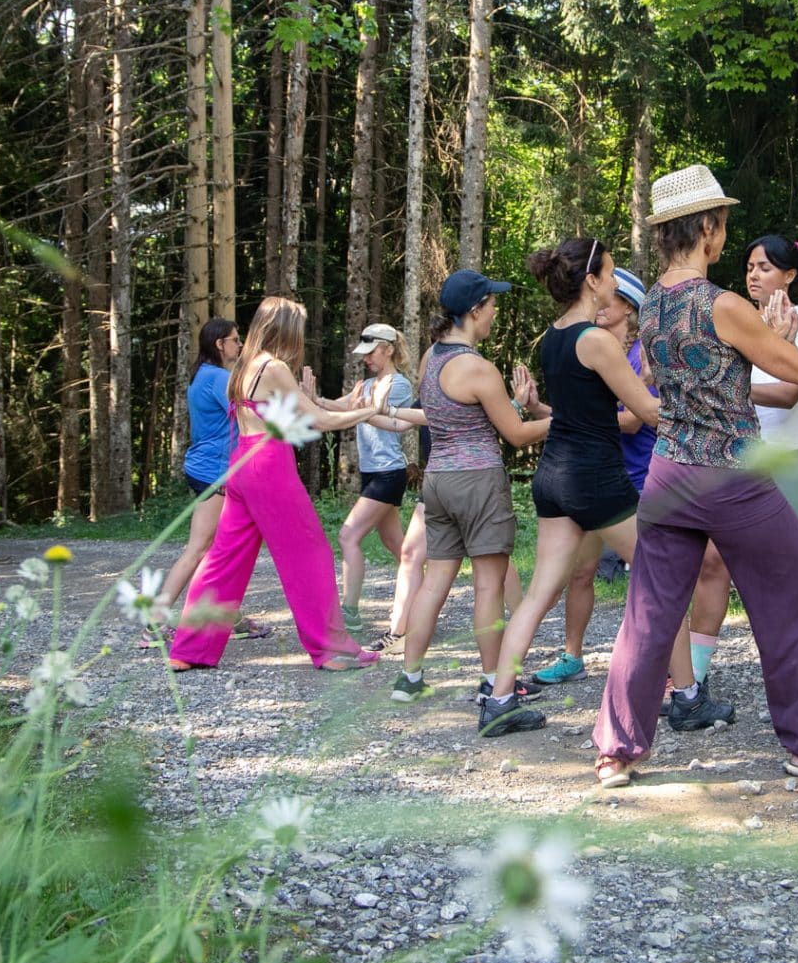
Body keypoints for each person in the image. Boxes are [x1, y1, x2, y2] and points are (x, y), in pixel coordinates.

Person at [592, 165, 798, 787]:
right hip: (729, 475)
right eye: (721, 224)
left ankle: (616, 751)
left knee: (648, 611)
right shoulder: (720, 304)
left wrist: (765, 337)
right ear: (708, 228)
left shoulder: (654, 308)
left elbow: (708, 376)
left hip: (670, 474)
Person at [479, 243, 728, 736]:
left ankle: (498, 699)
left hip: (554, 477)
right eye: (611, 272)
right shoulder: (596, 340)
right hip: (595, 480)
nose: (615, 281)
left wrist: (652, 376)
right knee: (665, 580)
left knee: (540, 592)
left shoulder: (553, 336)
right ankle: (687, 697)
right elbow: (648, 412)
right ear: (591, 281)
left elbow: (595, 403)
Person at [167, 296, 388, 672]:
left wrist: (306, 396)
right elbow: (318, 421)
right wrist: (373, 408)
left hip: (241, 465)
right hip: (269, 468)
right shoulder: (274, 366)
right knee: (310, 555)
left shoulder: (243, 366)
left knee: (224, 559)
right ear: (284, 329)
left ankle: (189, 650)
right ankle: (331, 650)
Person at [388, 269, 552, 719]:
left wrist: (515, 404)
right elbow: (516, 434)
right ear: (476, 311)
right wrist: (566, 421)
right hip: (478, 480)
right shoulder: (477, 368)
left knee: (435, 579)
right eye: (492, 304)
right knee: (488, 584)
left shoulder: (430, 359)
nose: (496, 311)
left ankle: (411, 677)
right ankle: (493, 684)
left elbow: (465, 418)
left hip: (438, 480)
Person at [686, 235, 798, 686]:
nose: (754, 274)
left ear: (790, 275)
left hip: (790, 462)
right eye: (750, 266)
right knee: (713, 563)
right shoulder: (738, 323)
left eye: (766, 267)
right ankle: (693, 680)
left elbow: (791, 393)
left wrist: (720, 388)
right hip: (739, 462)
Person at [524, 267, 649, 685]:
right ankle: (572, 656)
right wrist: (540, 410)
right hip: (594, 481)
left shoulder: (635, 355)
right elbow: (577, 417)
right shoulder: (585, 344)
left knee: (650, 576)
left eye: (611, 298)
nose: (600, 303)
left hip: (636, 478)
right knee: (580, 572)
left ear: (626, 309)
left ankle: (660, 669)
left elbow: (631, 421)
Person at [141, 319, 272, 645]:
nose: (239, 345)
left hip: (209, 469)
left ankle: (228, 618)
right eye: (235, 340)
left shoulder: (203, 376)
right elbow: (253, 414)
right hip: (214, 473)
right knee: (199, 549)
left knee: (220, 550)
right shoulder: (218, 378)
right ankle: (155, 624)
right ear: (219, 345)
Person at [332, 323, 418, 643]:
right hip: (373, 473)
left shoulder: (398, 385)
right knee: (401, 549)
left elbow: (393, 423)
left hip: (388, 474)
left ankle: (350, 615)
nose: (366, 359)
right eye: (365, 353)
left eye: (372, 352)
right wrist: (309, 398)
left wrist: (358, 410)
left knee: (348, 536)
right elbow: (340, 407)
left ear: (388, 349)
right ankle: (422, 603)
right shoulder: (368, 385)